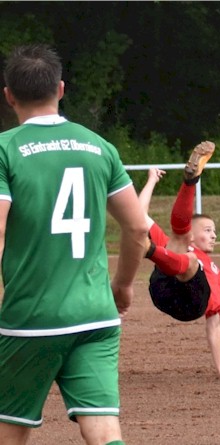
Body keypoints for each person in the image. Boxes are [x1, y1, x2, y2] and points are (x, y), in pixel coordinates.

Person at [0, 44, 148, 445]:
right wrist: (123, 285)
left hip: (30, 317)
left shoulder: (5, 150)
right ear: (61, 89)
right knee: (102, 429)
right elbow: (137, 229)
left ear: (9, 94)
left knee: (9, 428)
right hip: (96, 315)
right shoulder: (100, 147)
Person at [138, 142, 220, 380]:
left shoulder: (215, 272)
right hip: (163, 289)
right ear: (194, 234)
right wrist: (151, 180)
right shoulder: (180, 241)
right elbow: (139, 215)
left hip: (191, 304)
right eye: (208, 230)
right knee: (178, 245)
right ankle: (190, 182)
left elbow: (214, 325)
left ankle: (149, 249)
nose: (214, 235)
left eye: (214, 231)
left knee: (188, 259)